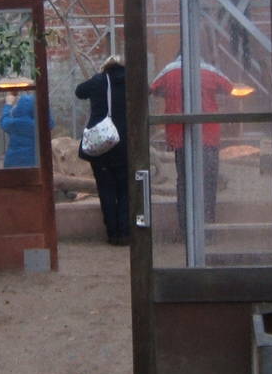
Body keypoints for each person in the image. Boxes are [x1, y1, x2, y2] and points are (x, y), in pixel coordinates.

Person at [148, 54, 230, 232]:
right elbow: (229, 87)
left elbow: (152, 89)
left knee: (184, 180)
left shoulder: (168, 70)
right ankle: (207, 226)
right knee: (208, 180)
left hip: (179, 135)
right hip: (208, 134)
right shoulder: (210, 70)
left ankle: (185, 227)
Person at [74, 56, 129, 245]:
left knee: (106, 190)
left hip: (102, 146)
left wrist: (98, 78)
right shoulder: (132, 80)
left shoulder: (99, 80)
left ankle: (112, 234)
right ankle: (125, 233)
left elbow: (79, 92)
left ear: (105, 67)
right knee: (125, 190)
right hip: (126, 144)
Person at [0, 90, 42, 168]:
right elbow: (50, 123)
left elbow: (4, 120)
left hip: (13, 162)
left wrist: (8, 104)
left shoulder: (13, 123)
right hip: (34, 161)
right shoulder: (38, 124)